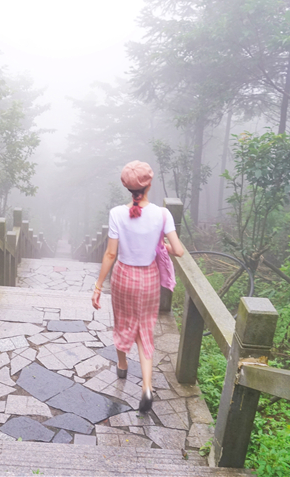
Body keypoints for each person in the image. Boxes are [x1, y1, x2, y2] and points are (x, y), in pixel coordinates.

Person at [91, 160, 184, 412]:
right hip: (150, 279)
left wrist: (98, 286)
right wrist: (161, 245)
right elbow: (179, 250)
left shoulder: (116, 214)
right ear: (149, 184)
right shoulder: (163, 214)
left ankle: (122, 366)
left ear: (127, 187)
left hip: (123, 277)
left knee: (122, 321)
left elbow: (110, 254)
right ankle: (146, 387)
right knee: (145, 330)